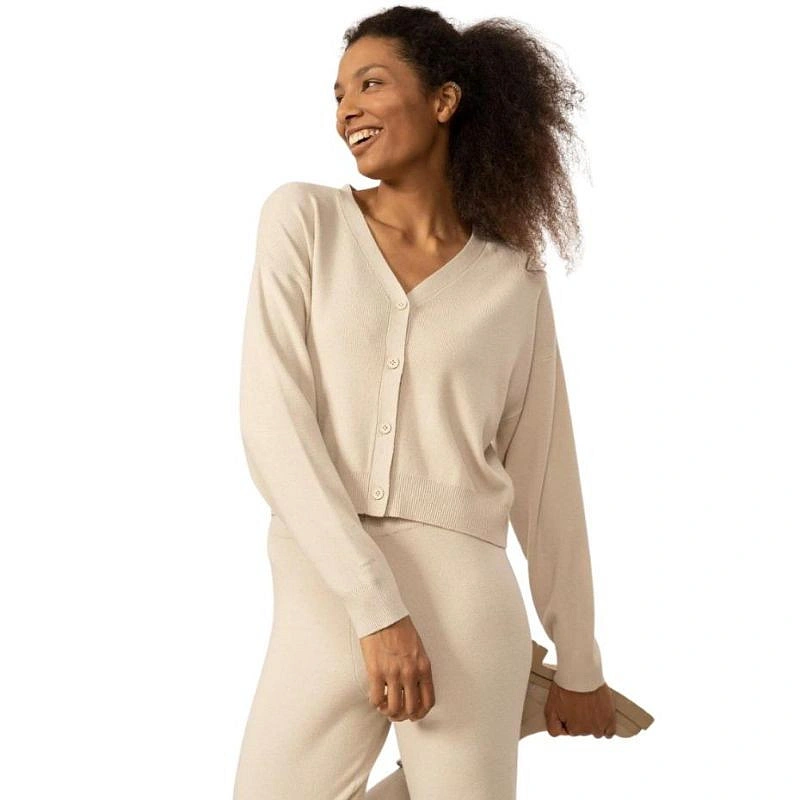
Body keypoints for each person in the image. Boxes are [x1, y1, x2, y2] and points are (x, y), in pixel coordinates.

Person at [233, 6, 615, 799]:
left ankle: (499, 701)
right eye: (339, 94)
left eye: (371, 84)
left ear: (444, 101)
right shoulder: (304, 220)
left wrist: (579, 662)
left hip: (468, 608)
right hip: (325, 590)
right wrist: (377, 610)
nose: (348, 109)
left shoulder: (513, 277)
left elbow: (546, 479)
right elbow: (273, 423)